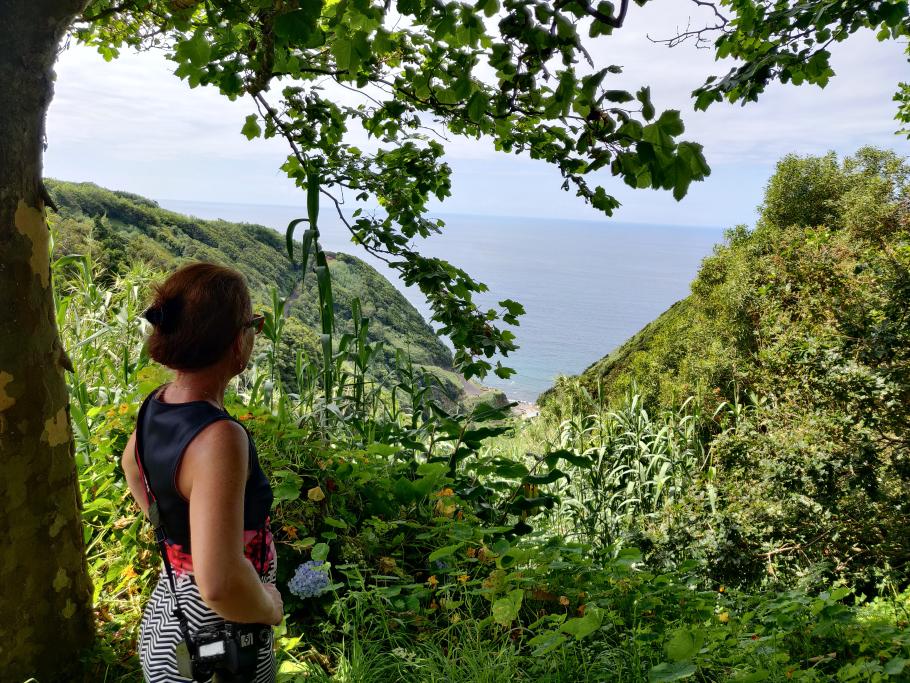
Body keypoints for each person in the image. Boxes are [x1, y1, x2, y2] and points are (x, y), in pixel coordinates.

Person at [121, 262, 283, 682]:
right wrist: (267, 604)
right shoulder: (219, 438)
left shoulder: (159, 401)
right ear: (235, 342)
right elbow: (220, 583)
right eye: (254, 324)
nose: (254, 334)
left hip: (169, 614)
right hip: (217, 637)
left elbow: (131, 467)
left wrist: (181, 538)